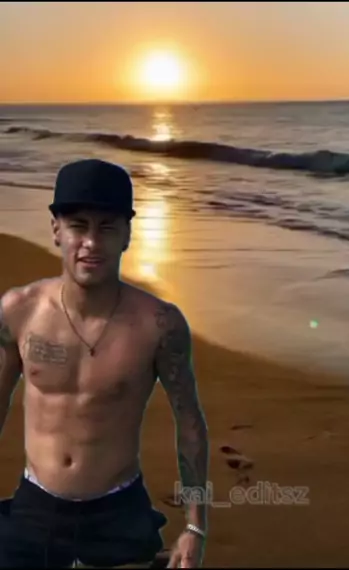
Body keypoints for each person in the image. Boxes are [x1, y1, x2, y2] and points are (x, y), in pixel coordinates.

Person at [0, 158, 209, 568]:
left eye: (107, 227)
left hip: (118, 511)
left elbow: (190, 425)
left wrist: (195, 526)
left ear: (127, 235)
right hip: (36, 506)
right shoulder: (19, 311)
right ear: (56, 230)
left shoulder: (158, 325)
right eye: (78, 226)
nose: (91, 243)